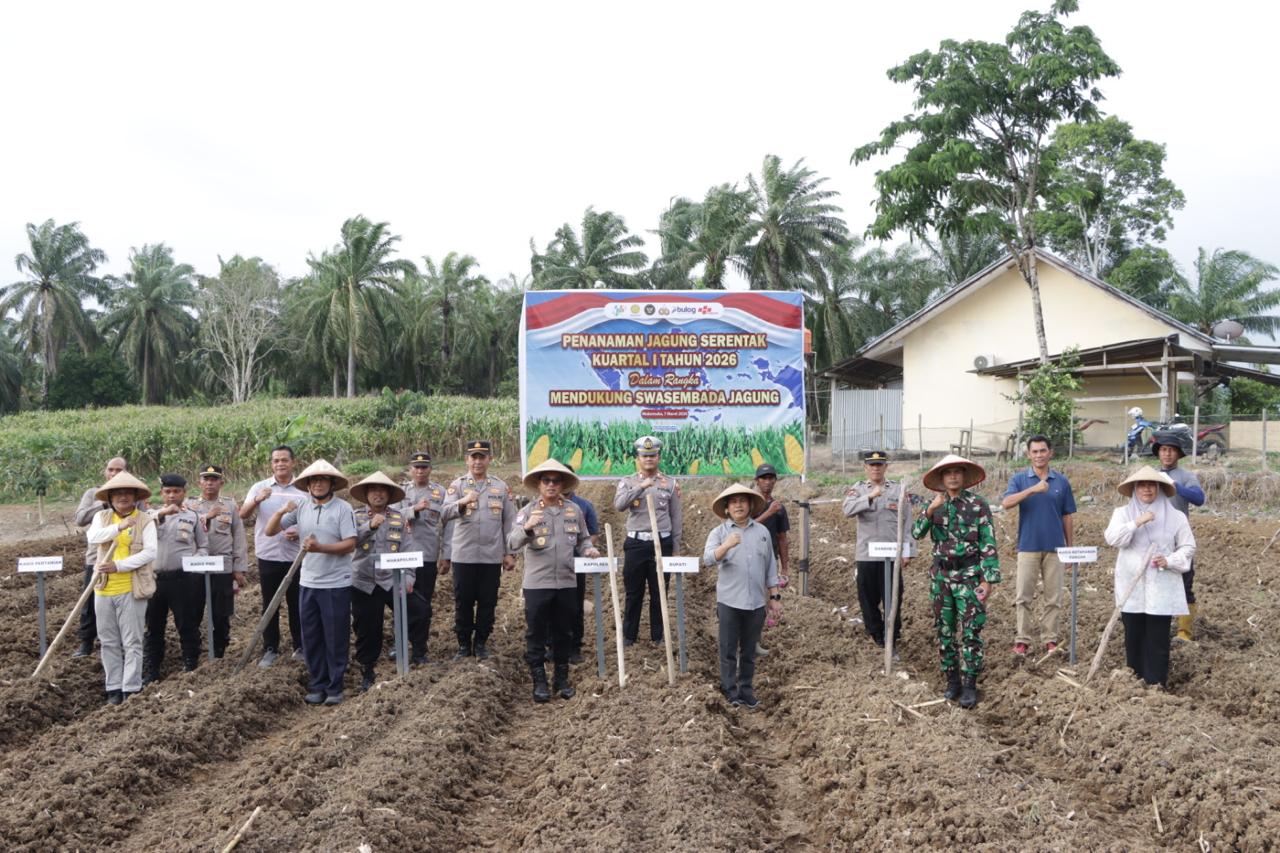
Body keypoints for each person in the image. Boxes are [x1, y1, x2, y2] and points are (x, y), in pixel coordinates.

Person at [911, 454, 1001, 710]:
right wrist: (929, 510)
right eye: (948, 472)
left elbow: (988, 544)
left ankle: (970, 684)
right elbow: (916, 533)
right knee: (945, 631)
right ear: (941, 478)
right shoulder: (934, 505)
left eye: (957, 472)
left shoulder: (978, 505)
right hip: (941, 578)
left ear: (963, 476)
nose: (952, 476)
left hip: (970, 577)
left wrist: (988, 581)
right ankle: (952, 681)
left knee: (972, 631)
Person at [266, 459, 358, 706]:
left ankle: (335, 686)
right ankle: (317, 684)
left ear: (331, 484)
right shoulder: (302, 508)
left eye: (322, 480)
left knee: (335, 636)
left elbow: (350, 543)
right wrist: (280, 511)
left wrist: (320, 548)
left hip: (335, 583)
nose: (318, 484)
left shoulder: (342, 508)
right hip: (308, 582)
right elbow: (269, 531)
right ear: (307, 485)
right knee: (311, 636)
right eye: (313, 480)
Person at [508, 459, 600, 702]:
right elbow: (512, 543)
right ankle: (539, 681)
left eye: (555, 480)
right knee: (536, 633)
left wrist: (588, 549)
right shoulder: (527, 511)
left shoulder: (574, 510)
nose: (551, 485)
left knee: (564, 633)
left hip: (567, 583)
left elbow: (583, 539)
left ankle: (561, 679)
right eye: (546, 480)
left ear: (562, 484)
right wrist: (527, 528)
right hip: (537, 584)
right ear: (539, 484)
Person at [1103, 466, 1195, 688]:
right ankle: (1134, 680)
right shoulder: (1122, 514)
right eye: (1142, 485)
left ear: (1159, 488)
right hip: (1131, 584)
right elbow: (1113, 539)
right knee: (1133, 633)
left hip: (1162, 584)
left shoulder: (1176, 517)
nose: (1147, 489)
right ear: (1135, 489)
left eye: (1152, 485)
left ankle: (1156, 683)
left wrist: (1170, 560)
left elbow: (1188, 546)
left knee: (1158, 636)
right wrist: (1137, 522)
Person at [703, 483, 782, 710]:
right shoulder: (719, 533)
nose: (738, 505)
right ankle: (730, 692)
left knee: (748, 650)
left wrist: (774, 598)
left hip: (756, 602)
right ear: (727, 508)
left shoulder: (762, 532)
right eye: (734, 501)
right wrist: (726, 546)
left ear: (750, 506)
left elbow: (770, 568)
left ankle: (746, 691)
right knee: (728, 649)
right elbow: (708, 559)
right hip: (729, 600)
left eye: (743, 501)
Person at [350, 471, 429, 692]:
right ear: (366, 494)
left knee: (420, 610)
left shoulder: (399, 518)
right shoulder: (354, 517)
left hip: (391, 579)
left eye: (382, 490)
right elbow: (350, 543)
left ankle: (419, 653)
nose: (378, 494)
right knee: (367, 627)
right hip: (363, 581)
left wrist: (409, 577)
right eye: (373, 490)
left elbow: (408, 548)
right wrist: (370, 526)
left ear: (389, 494)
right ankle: (367, 670)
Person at [1001, 434, 1077, 657]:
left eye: (1043, 451)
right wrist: (1032, 490)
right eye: (1034, 451)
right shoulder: (1019, 479)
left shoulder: (1061, 482)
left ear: (1050, 453)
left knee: (1053, 598)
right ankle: (1022, 640)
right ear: (1028, 454)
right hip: (1028, 546)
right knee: (1023, 596)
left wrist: (1069, 549)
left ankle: (1050, 639)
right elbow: (1006, 503)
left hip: (1055, 548)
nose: (1039, 455)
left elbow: (1067, 516)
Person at [441, 440, 517, 661]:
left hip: (491, 556)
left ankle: (482, 643)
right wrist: (463, 502)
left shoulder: (501, 487)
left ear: (489, 460)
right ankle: (464, 645)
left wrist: (509, 553)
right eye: (473, 457)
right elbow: (444, 514)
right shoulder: (457, 486)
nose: (477, 461)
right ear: (467, 460)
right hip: (464, 555)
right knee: (463, 601)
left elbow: (509, 521)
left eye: (481, 457)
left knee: (488, 601)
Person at [86, 471, 157, 704]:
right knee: (107, 640)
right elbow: (93, 538)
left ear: (136, 496)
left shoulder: (145, 520)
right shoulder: (103, 518)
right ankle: (113, 687)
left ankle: (131, 688)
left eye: (128, 493)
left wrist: (120, 566)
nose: (123, 497)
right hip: (103, 589)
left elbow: (150, 552)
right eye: (117, 493)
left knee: (132, 640)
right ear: (110, 497)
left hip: (131, 587)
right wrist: (119, 528)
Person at [612, 435, 683, 647]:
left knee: (659, 591)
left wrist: (676, 548)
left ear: (659, 457)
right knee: (633, 592)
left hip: (662, 542)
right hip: (636, 543)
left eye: (653, 455)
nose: (649, 459)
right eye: (645, 455)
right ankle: (629, 636)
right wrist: (641, 486)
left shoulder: (669, 484)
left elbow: (676, 517)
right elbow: (619, 505)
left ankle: (658, 636)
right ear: (638, 457)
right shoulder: (627, 482)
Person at [239, 445, 307, 667]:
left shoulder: (303, 489)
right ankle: (270, 648)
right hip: (268, 553)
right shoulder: (260, 488)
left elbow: (313, 518)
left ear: (293, 462)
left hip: (296, 556)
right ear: (271, 464)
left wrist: (300, 531)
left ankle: (300, 646)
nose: (280, 464)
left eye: (284, 460)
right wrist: (257, 500)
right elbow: (243, 514)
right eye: (276, 460)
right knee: (270, 603)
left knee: (297, 603)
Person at [842, 450, 912, 653]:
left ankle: (892, 635)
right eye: (872, 465)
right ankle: (875, 634)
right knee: (868, 598)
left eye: (879, 465)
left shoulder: (898, 490)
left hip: (891, 555)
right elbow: (847, 510)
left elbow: (907, 522)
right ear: (865, 468)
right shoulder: (858, 490)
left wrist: (907, 550)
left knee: (893, 597)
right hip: (866, 555)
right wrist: (870, 497)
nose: (875, 468)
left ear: (885, 467)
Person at [144, 474, 210, 682]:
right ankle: (152, 670)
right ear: (162, 493)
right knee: (153, 627)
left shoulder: (193, 517)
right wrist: (162, 513)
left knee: (187, 624)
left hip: (183, 580)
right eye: (168, 492)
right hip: (154, 580)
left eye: (176, 491)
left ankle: (190, 664)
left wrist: (195, 563)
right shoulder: (149, 516)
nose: (172, 495)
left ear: (184, 493)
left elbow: (204, 546)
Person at [72, 456, 129, 657]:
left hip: (123, 559)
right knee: (90, 603)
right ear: (105, 471)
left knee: (123, 602)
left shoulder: (133, 495)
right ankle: (86, 642)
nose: (113, 474)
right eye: (110, 469)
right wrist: (105, 501)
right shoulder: (92, 494)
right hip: (96, 559)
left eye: (119, 470)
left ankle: (122, 642)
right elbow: (80, 519)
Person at [188, 465, 247, 659]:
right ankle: (193, 653)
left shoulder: (229, 506)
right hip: (195, 567)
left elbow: (238, 537)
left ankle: (219, 652)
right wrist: (206, 516)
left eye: (214, 479)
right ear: (199, 482)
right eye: (206, 479)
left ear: (221, 482)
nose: (210, 483)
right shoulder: (189, 505)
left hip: (222, 565)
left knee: (221, 614)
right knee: (193, 611)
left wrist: (239, 568)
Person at [1152, 429, 1205, 642]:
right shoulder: (1151, 476)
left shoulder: (1186, 476)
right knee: (1156, 584)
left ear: (1178, 455)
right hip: (1156, 539)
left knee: (1184, 584)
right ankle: (1158, 628)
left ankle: (1184, 632)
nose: (1167, 454)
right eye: (1164, 450)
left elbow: (1199, 499)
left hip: (1180, 540)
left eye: (1171, 451)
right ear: (1159, 453)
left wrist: (1175, 486)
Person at [394, 452, 446, 663]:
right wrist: (413, 510)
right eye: (416, 467)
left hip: (427, 556)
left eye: (424, 467)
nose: (420, 471)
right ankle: (401, 645)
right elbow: (393, 516)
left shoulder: (440, 492)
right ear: (410, 469)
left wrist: (446, 555)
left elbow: (447, 524)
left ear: (430, 469)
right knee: (400, 602)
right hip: (401, 558)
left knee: (423, 605)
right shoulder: (400, 492)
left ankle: (419, 649)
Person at [751, 463, 790, 657]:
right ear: (756, 481)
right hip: (747, 560)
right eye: (763, 478)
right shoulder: (748, 504)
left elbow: (782, 538)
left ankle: (755, 641)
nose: (767, 482)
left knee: (763, 602)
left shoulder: (779, 509)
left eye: (770, 478)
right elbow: (744, 528)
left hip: (768, 561)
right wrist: (768, 513)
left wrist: (785, 568)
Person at [563, 465, 599, 665]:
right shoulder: (541, 506)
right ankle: (553, 645)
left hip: (577, 563)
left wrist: (583, 548)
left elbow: (592, 533)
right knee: (553, 604)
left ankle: (575, 646)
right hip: (552, 564)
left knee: (575, 605)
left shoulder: (583, 506)